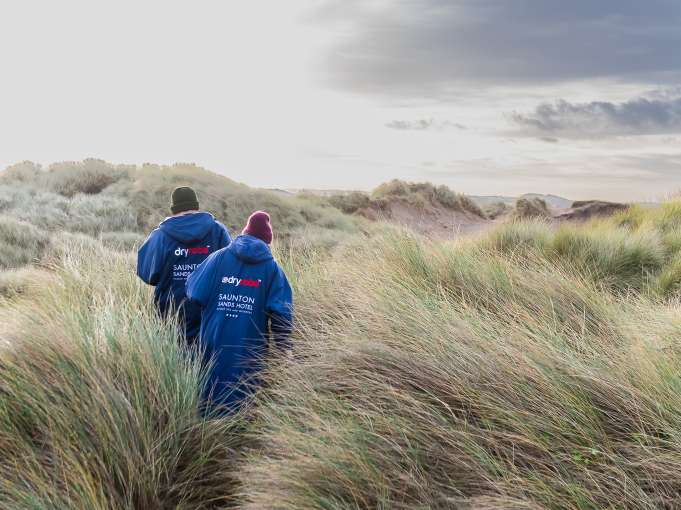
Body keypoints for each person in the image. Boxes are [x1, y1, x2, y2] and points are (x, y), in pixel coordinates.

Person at [186, 210, 293, 412]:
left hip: (213, 341)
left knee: (208, 396)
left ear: (245, 232)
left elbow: (194, 291)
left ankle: (207, 435)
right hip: (250, 352)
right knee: (245, 401)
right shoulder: (273, 270)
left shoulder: (216, 259)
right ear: (267, 241)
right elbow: (282, 312)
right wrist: (284, 349)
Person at [137, 186, 231, 344]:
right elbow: (231, 270)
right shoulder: (218, 231)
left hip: (170, 314)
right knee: (207, 361)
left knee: (171, 364)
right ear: (196, 206)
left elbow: (147, 274)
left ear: (174, 209)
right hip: (209, 311)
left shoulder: (160, 236)